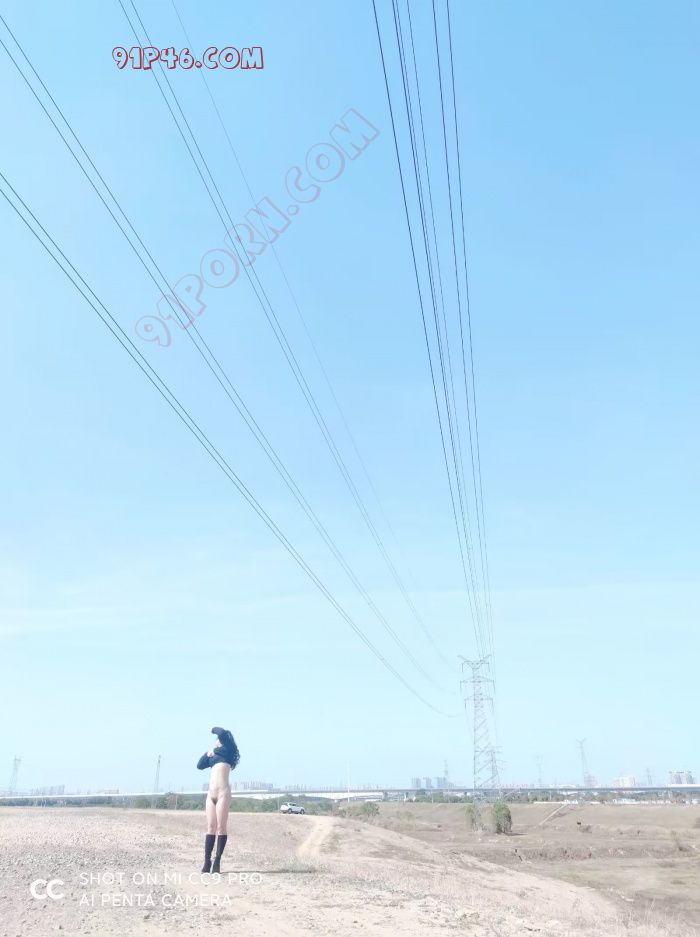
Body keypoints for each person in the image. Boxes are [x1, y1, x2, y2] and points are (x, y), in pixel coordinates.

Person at [196, 726, 240, 873]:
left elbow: (221, 732)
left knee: (221, 827)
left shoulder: (227, 751)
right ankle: (207, 861)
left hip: (223, 794)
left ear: (221, 741)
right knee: (210, 827)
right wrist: (207, 754)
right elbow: (199, 766)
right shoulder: (213, 757)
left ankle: (217, 862)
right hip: (211, 795)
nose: (216, 740)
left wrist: (211, 729)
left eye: (217, 739)